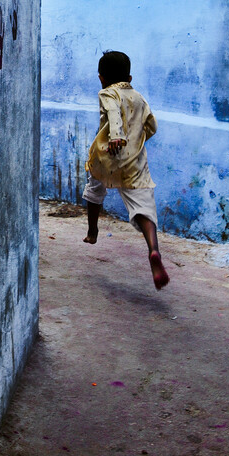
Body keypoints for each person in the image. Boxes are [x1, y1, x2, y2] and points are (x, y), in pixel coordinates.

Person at [82, 51, 169, 290]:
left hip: (106, 156)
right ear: (129, 78)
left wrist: (117, 136)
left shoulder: (106, 92)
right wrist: (136, 140)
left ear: (101, 78)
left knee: (95, 188)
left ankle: (92, 231)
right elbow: (151, 125)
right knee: (143, 205)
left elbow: (112, 111)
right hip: (133, 160)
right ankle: (153, 249)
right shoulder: (139, 97)